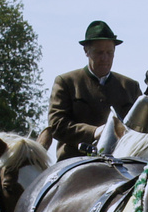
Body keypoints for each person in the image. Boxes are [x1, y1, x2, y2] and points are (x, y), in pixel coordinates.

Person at [46, 20, 141, 158]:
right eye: (99, 52)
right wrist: (93, 132)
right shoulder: (67, 82)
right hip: (74, 163)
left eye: (109, 52)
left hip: (122, 163)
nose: (105, 58)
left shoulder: (130, 86)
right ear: (86, 51)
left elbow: (142, 131)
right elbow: (56, 125)